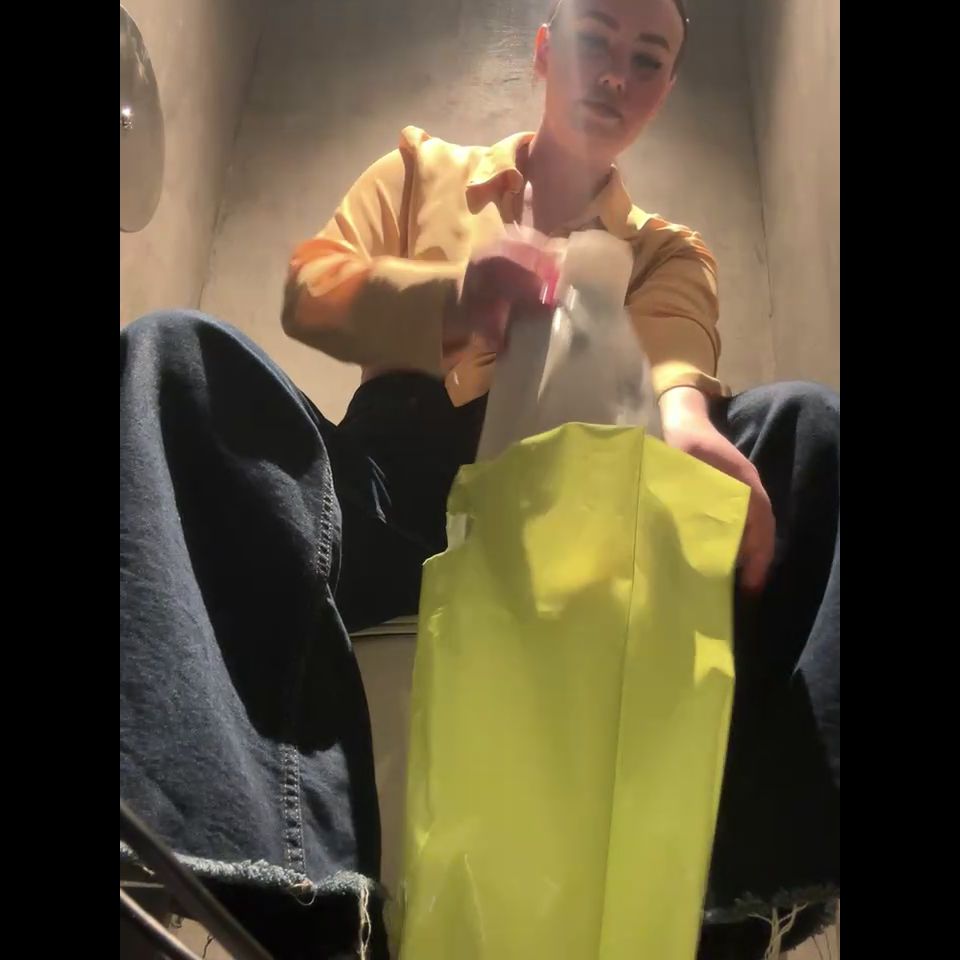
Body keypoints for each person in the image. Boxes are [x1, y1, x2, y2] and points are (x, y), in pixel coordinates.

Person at [119, 0, 839, 956]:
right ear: (545, 50)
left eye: (646, 58)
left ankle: (750, 893)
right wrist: (455, 296)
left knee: (807, 425)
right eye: (596, 40)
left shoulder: (669, 250)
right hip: (387, 498)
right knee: (174, 356)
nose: (615, 74)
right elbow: (311, 288)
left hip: (573, 530)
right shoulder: (421, 168)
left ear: (666, 87)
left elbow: (677, 365)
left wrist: (687, 423)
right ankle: (279, 876)